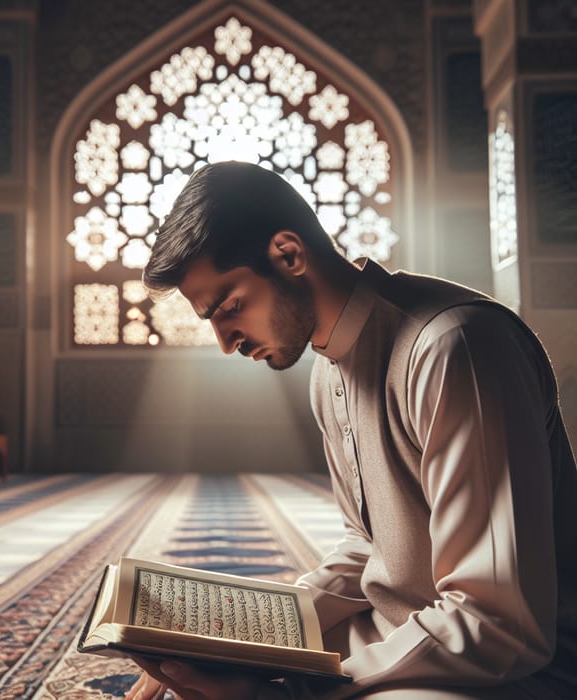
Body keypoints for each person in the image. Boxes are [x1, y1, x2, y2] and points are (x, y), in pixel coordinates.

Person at [125, 161, 577, 699]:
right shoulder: (327, 369)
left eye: (230, 307)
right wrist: (228, 641)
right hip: (404, 635)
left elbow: (498, 627)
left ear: (288, 254)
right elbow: (369, 548)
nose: (226, 342)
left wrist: (291, 693)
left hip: (511, 667)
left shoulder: (455, 348)